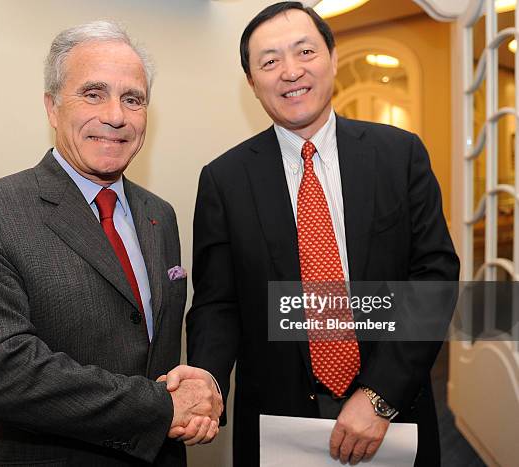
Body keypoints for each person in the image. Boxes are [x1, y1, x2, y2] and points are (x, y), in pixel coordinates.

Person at [184, 2, 460, 466]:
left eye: (305, 51)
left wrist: (378, 396)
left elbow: (433, 278)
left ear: (332, 57)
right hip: (279, 421)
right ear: (252, 83)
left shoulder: (399, 155)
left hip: (393, 406)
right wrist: (207, 382)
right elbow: (217, 303)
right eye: (269, 62)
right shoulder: (224, 180)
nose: (290, 71)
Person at [0, 20, 220, 467]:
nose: (115, 115)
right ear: (52, 107)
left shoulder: (159, 215)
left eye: (133, 99)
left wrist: (197, 389)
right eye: (93, 94)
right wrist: (161, 407)